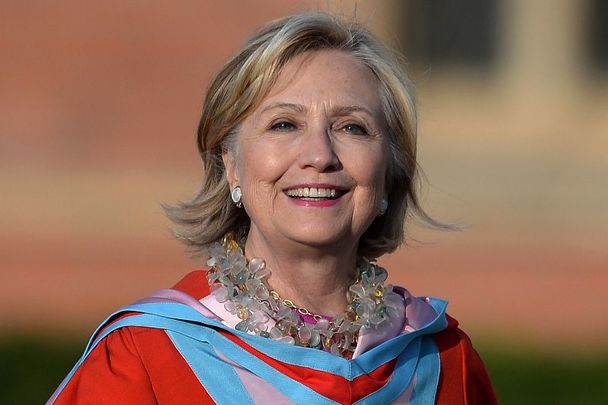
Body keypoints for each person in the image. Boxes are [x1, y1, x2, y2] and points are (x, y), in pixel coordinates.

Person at [49, 12, 496, 404]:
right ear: (230, 165)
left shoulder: (442, 363)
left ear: (389, 173)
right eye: (284, 124)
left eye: (353, 127)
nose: (320, 155)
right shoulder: (144, 357)